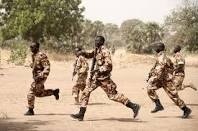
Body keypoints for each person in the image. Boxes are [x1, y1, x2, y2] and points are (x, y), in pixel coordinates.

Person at [71, 36, 140, 121]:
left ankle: (133, 106)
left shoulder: (105, 51)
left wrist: (97, 69)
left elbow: (109, 66)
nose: (95, 42)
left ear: (102, 42)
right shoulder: (97, 50)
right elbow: (90, 55)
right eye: (95, 40)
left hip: (104, 79)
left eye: (97, 41)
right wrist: (82, 53)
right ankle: (81, 114)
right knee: (85, 92)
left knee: (113, 96)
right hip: (96, 78)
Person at [147, 42, 191, 119]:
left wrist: (153, 78)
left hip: (166, 80)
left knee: (173, 96)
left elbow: (160, 69)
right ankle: (158, 105)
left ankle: (185, 109)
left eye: (155, 48)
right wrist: (151, 75)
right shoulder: (160, 56)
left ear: (159, 49)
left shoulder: (162, 57)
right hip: (161, 79)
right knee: (149, 88)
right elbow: (157, 68)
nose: (154, 50)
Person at [24, 42, 60, 115]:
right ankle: (53, 92)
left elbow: (47, 67)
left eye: (32, 47)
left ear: (37, 47)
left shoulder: (42, 55)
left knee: (31, 92)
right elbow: (37, 64)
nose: (31, 48)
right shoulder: (33, 55)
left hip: (40, 77)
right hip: (36, 77)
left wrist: (41, 75)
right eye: (30, 47)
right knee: (39, 93)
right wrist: (32, 65)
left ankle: (30, 110)